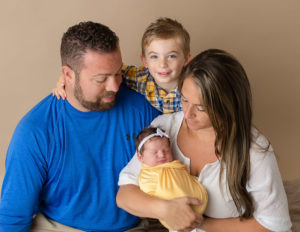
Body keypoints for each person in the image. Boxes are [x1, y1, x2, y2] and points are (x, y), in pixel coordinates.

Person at [0, 21, 161, 232]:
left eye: (117, 73)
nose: (114, 86)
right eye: (101, 79)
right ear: (68, 75)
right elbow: (12, 219)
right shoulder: (35, 131)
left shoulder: (142, 109)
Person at [117, 49, 292, 231]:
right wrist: (165, 210)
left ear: (227, 106)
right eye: (184, 99)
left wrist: (199, 223)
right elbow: (124, 195)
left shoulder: (254, 149)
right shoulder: (163, 129)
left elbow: (273, 224)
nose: (188, 113)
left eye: (200, 107)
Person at [53, 17, 191, 113]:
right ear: (145, 61)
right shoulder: (140, 78)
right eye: (154, 56)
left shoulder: (196, 84)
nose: (163, 64)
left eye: (171, 56)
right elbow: (104, 70)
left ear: (187, 59)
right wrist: (66, 78)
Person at [135, 127, 208, 230]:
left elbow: (185, 177)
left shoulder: (174, 166)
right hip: (175, 219)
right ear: (140, 157)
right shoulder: (147, 176)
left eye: (166, 150)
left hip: (199, 209)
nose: (162, 155)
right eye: (155, 152)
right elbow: (148, 194)